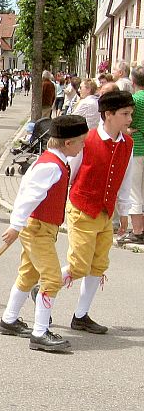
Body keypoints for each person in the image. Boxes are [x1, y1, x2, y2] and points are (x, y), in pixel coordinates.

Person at [0, 115, 89, 352]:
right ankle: (40, 332)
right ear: (68, 143)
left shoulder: (55, 161)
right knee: (50, 279)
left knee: (28, 274)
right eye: (81, 141)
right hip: (37, 228)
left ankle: (9, 319)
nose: (83, 146)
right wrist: (15, 225)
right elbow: (29, 196)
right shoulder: (51, 166)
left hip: (42, 227)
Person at [60, 90, 135, 334]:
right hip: (82, 207)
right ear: (108, 115)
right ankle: (45, 287)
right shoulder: (87, 141)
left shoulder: (128, 144)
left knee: (98, 265)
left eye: (130, 114)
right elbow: (68, 172)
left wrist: (123, 212)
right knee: (79, 264)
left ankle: (80, 315)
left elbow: (125, 179)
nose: (129, 119)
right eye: (125, 114)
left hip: (105, 212)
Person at [120, 66, 144, 244]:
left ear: (133, 82)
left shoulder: (134, 100)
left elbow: (124, 124)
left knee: (134, 190)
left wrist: (127, 130)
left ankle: (137, 230)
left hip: (137, 148)